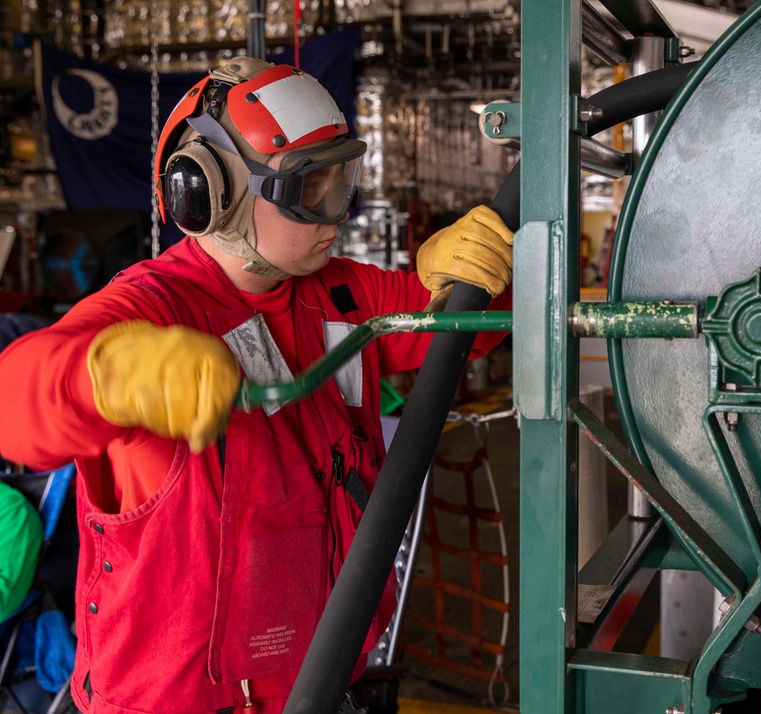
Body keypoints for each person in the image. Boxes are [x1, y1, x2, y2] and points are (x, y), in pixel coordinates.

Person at [0, 57, 513, 714]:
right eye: (311, 187)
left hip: (327, 682)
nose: (338, 212)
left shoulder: (344, 294)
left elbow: (476, 327)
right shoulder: (148, 311)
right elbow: (16, 402)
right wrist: (107, 376)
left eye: (342, 180)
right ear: (210, 194)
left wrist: (471, 274)